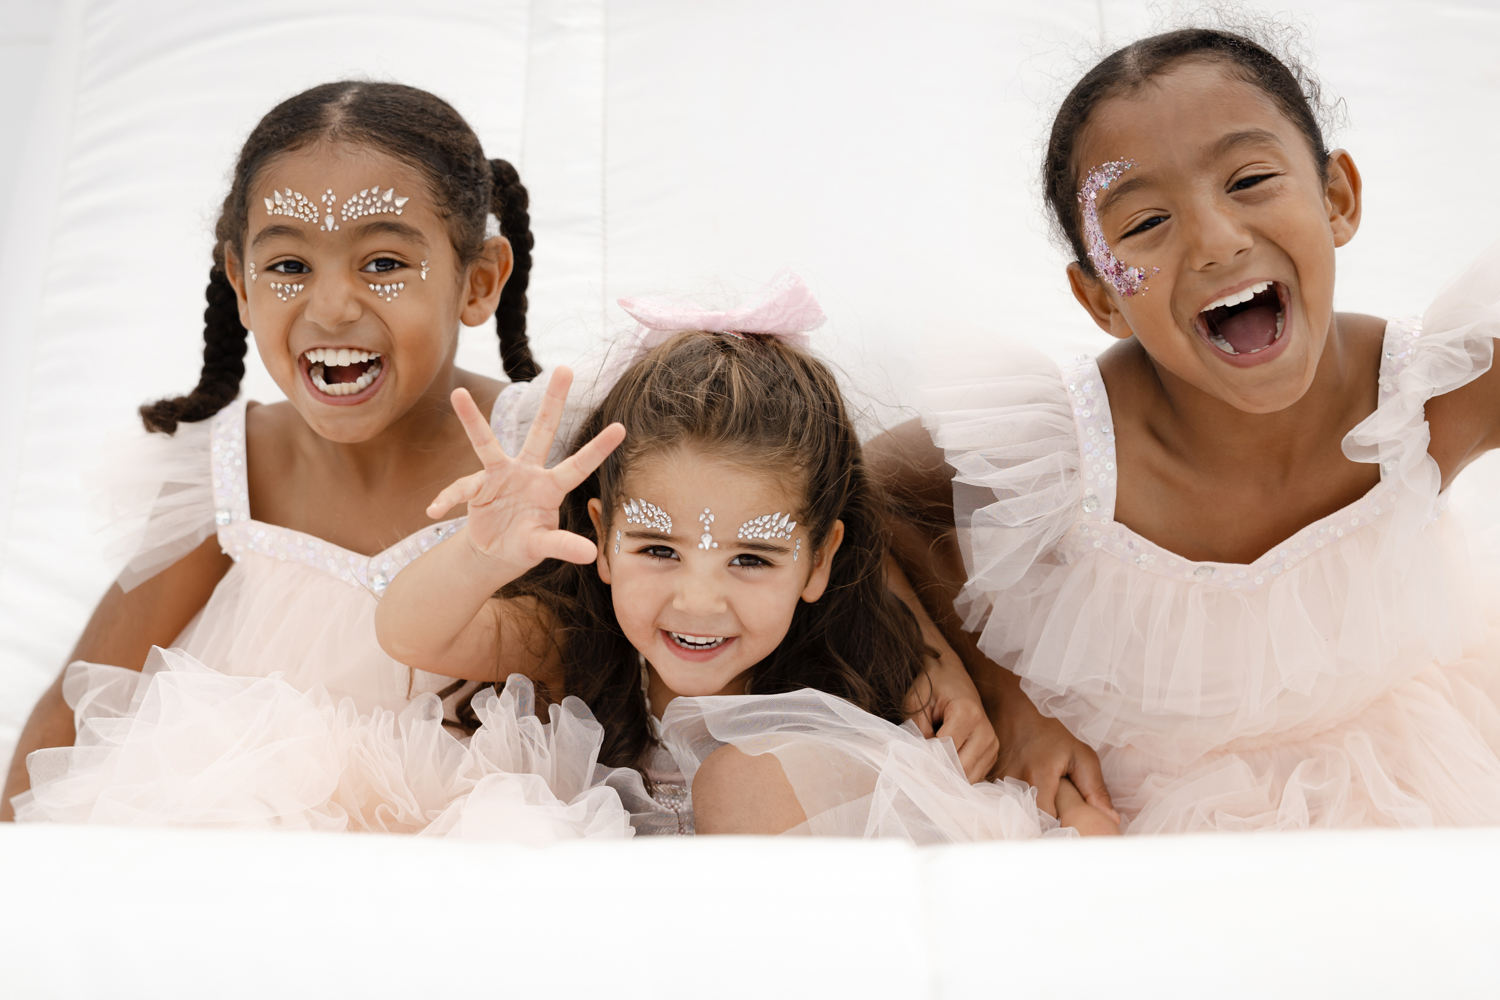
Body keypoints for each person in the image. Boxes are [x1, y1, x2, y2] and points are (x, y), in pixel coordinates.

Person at [876, 25, 1500, 832]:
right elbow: (847, 495)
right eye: (1143, 225)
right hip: (1126, 798)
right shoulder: (1063, 447)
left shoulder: (1433, 392)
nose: (1215, 239)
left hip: (1410, 770)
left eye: (1249, 179)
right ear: (1102, 296)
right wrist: (987, 686)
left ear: (1337, 198)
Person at [4, 80, 631, 836]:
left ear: (480, 280)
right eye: (290, 267)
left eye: (384, 263)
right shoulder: (228, 471)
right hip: (241, 854)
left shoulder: (548, 462)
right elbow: (75, 710)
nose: (331, 306)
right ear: (239, 282)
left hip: (468, 857)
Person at [376, 275, 1118, 839]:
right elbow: (410, 634)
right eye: (657, 547)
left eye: (752, 559)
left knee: (742, 778)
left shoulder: (870, 670)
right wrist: (481, 555)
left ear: (820, 560)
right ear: (602, 539)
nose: (699, 601)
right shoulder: (585, 639)